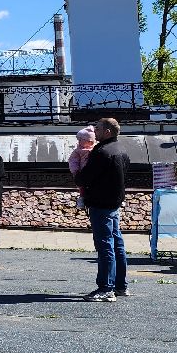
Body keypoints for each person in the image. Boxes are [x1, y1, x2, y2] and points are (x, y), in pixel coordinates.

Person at [73, 117, 130, 302]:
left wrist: (78, 177)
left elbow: (85, 177)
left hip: (100, 203)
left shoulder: (102, 152)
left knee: (105, 245)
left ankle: (106, 288)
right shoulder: (121, 149)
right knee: (117, 244)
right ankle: (121, 285)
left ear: (107, 131)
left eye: (97, 128)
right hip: (114, 202)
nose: (93, 131)